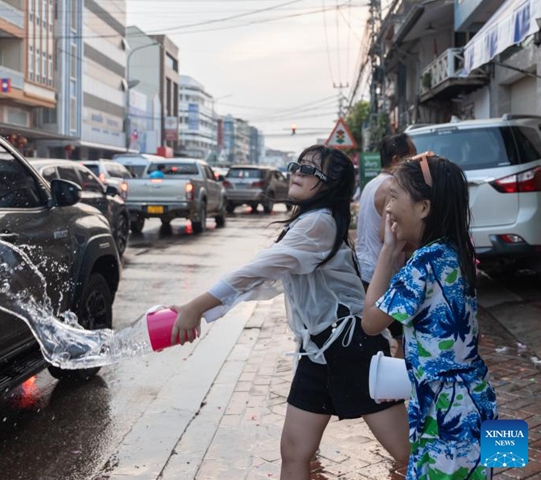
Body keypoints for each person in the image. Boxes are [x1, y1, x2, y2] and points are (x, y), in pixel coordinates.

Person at [171, 145, 410, 479]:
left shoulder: (319, 224)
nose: (297, 172)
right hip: (317, 350)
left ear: (329, 185)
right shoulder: (310, 222)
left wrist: (197, 306)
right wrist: (203, 309)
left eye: (310, 170)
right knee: (294, 452)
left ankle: (482, 458)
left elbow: (257, 269)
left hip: (352, 349)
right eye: (297, 165)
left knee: (408, 453)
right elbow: (265, 277)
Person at [362, 153, 497, 480]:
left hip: (445, 414)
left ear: (423, 208)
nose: (387, 207)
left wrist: (387, 251)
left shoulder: (423, 265)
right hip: (480, 399)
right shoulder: (458, 248)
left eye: (394, 196)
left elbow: (370, 321)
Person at [357, 134, 417, 358]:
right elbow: (387, 235)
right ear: (396, 159)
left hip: (366, 269)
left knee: (380, 336)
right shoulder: (393, 185)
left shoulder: (372, 183)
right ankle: (399, 388)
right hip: (382, 274)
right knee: (404, 339)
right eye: (412, 156)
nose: (417, 161)